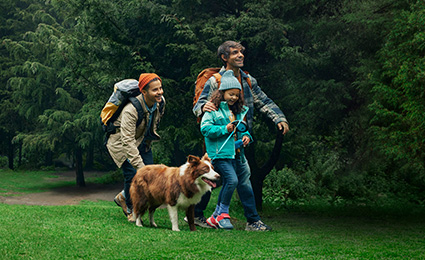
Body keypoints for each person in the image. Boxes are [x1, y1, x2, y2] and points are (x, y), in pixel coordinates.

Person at [192, 40, 289, 230]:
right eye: (235, 52)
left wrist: (279, 118)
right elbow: (198, 105)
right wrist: (204, 107)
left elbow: (263, 100)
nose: (240, 55)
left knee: (242, 178)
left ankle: (252, 220)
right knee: (212, 176)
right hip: (218, 140)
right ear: (224, 57)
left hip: (239, 141)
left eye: (241, 52)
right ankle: (199, 215)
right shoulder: (215, 81)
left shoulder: (247, 80)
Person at [201, 70, 271, 231]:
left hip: (237, 155)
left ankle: (217, 217)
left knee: (239, 182)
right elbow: (205, 129)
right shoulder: (213, 110)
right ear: (222, 93)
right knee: (232, 181)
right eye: (230, 94)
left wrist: (246, 136)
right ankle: (222, 214)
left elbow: (242, 129)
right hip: (219, 154)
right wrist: (224, 128)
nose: (233, 97)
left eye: (236, 95)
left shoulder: (239, 111)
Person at [107, 73, 165, 221]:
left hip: (142, 142)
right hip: (121, 144)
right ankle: (131, 209)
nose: (159, 92)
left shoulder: (160, 102)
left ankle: (122, 197)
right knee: (133, 175)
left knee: (150, 176)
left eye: (160, 88)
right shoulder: (130, 110)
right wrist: (141, 167)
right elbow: (127, 141)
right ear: (144, 92)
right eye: (155, 90)